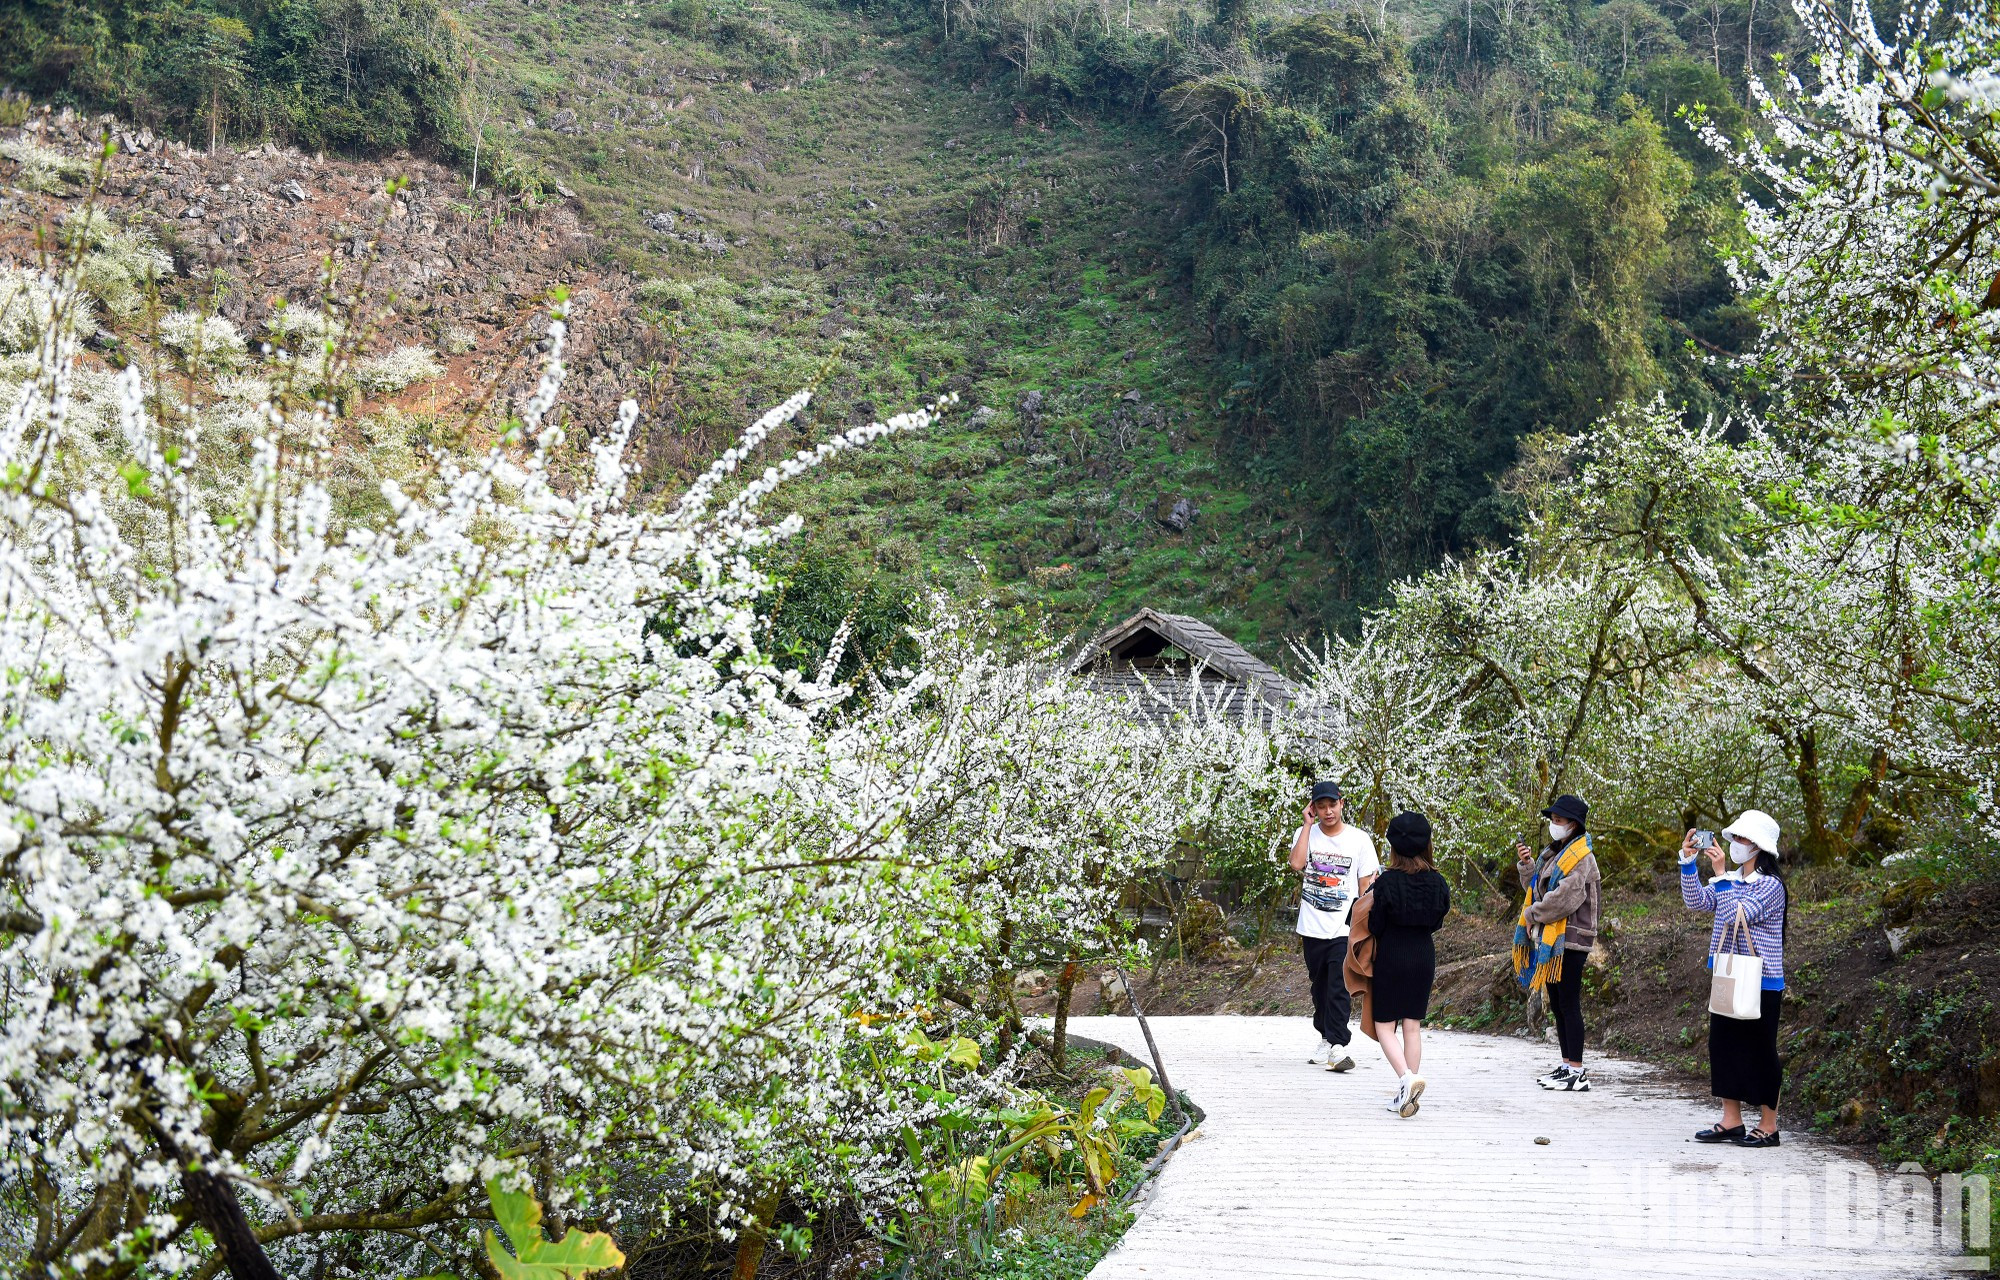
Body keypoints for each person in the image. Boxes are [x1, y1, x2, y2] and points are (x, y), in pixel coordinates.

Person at [1681, 809, 1789, 1148]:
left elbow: (1732, 913)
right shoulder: (1730, 880)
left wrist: (1720, 875)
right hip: (1728, 972)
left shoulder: (1771, 886)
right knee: (1723, 1045)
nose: (1736, 843)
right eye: (1736, 837)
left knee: (1760, 1050)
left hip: (1762, 979)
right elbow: (1696, 902)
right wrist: (1688, 863)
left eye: (1743, 838)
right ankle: (1731, 1120)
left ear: (1759, 845)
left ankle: (1769, 1126)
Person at [1512, 793, 1602, 1093]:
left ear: (1573, 824)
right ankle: (1567, 1065)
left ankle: (1577, 1070)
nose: (1554, 824)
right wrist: (1527, 865)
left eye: (1559, 820)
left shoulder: (1582, 858)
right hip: (1553, 939)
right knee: (1559, 1004)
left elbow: (1564, 899)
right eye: (1552, 819)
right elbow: (1537, 889)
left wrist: (1531, 914)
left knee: (1569, 1003)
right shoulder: (1554, 854)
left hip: (1572, 939)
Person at [1291, 780, 1379, 1073]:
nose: (1328, 811)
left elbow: (1366, 885)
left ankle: (1339, 1046)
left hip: (1344, 927)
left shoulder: (1359, 840)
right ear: (1313, 808)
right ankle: (1326, 1037)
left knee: (1339, 985)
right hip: (1312, 925)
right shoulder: (1306, 834)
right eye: (1321, 806)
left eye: (1332, 805)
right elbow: (1296, 864)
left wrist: (1366, 925)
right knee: (1319, 986)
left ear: (1342, 804)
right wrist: (1307, 826)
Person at [1369, 811, 1452, 1119]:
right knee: (1412, 1025)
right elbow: (1438, 921)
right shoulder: (1438, 882)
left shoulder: (1386, 882)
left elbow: (1375, 925)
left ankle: (1406, 1079)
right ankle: (1407, 1092)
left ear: (1394, 847)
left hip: (1392, 954)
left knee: (1384, 1025)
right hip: (1423, 955)